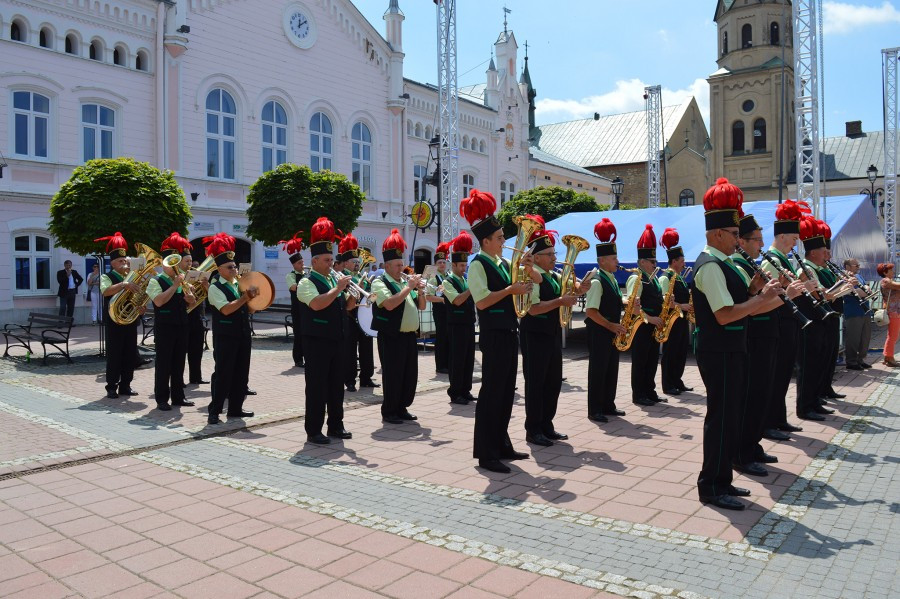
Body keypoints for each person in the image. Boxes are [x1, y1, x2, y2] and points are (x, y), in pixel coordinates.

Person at [692, 178, 783, 510]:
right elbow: (726, 315)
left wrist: (755, 291)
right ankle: (711, 486)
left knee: (730, 418)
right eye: (734, 234)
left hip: (732, 350)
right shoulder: (711, 265)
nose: (738, 240)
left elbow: (736, 303)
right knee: (721, 419)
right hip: (720, 351)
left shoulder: (725, 262)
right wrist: (763, 298)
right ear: (718, 234)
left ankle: (723, 480)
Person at [461, 190, 534, 474]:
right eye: (501, 238)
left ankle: (502, 443)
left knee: (505, 392)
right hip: (492, 334)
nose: (505, 242)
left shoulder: (503, 263)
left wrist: (525, 274)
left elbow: (515, 295)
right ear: (487, 241)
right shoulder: (477, 264)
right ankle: (486, 453)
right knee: (492, 393)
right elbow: (481, 300)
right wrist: (511, 289)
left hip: (507, 331)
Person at [731, 215, 802, 477]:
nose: (761, 245)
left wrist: (783, 294)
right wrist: (785, 296)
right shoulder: (739, 264)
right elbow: (754, 308)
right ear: (742, 241)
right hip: (756, 335)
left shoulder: (750, 263)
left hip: (766, 332)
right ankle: (743, 452)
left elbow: (761, 302)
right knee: (754, 394)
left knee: (761, 392)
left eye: (761, 239)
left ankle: (753, 445)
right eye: (757, 240)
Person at [519, 220, 581, 446]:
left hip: (551, 333)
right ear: (535, 257)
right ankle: (533, 429)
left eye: (554, 253)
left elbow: (563, 297)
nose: (555, 257)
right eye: (549, 254)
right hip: (535, 334)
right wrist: (561, 301)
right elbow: (533, 309)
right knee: (536, 383)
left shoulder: (553, 276)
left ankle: (547, 424)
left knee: (553, 381)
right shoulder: (531, 275)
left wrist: (580, 290)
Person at [296, 217, 353, 443]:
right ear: (316, 261)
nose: (332, 264)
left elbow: (345, 307)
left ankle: (335, 426)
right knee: (317, 387)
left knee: (336, 386)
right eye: (328, 260)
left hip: (337, 338)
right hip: (317, 340)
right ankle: (313, 430)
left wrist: (353, 298)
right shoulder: (306, 282)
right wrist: (338, 289)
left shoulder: (332, 281)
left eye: (332, 259)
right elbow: (317, 304)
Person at [759, 199, 807, 440]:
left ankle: (779, 418)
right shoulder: (772, 259)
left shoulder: (783, 259)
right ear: (783, 236)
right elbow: (770, 294)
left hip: (787, 321)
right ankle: (768, 422)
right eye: (794, 236)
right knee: (774, 375)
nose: (797, 241)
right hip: (776, 320)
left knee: (783, 374)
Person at [371, 229, 426, 424]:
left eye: (402, 264)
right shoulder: (379, 282)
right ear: (386, 265)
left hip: (409, 335)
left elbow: (422, 306)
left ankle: (402, 407)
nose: (401, 268)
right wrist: (409, 287)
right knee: (393, 374)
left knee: (409, 375)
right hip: (392, 335)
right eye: (397, 265)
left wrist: (420, 291)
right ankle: (390, 411)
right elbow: (390, 304)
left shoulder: (404, 282)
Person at [205, 233, 256, 425]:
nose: (234, 269)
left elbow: (247, 308)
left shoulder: (238, 284)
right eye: (230, 267)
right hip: (225, 336)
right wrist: (244, 298)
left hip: (242, 333)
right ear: (219, 269)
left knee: (241, 373)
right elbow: (226, 309)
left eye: (235, 266)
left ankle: (235, 409)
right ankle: (214, 411)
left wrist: (254, 302)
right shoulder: (215, 287)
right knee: (223, 374)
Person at [147, 233, 196, 411]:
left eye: (176, 262)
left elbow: (192, 302)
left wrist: (189, 295)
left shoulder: (182, 280)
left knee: (179, 362)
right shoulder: (156, 281)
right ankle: (161, 399)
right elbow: (158, 301)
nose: (175, 266)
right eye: (171, 263)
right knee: (164, 363)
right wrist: (175, 286)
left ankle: (178, 397)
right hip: (165, 326)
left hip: (182, 324)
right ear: (163, 264)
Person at [795, 216, 838, 421]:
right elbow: (817, 293)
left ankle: (814, 401)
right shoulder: (805, 267)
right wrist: (838, 291)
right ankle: (805, 406)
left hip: (820, 322)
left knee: (818, 363)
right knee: (808, 366)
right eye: (823, 251)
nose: (827, 254)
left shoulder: (817, 268)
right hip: (809, 324)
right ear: (813, 252)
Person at [585, 218, 626, 423]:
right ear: (602, 261)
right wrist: (611, 325)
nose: (617, 262)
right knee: (599, 370)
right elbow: (591, 311)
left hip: (610, 330)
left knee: (611, 369)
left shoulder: (611, 278)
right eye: (613, 258)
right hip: (600, 330)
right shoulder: (596, 280)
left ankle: (608, 404)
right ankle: (595, 409)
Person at [96, 232, 141, 399]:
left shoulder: (130, 277)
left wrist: (140, 306)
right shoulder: (106, 276)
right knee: (115, 354)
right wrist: (124, 284)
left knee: (129, 353)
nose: (124, 264)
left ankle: (126, 385)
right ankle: (111, 386)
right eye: (121, 261)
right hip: (114, 321)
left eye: (125, 261)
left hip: (130, 319)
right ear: (113, 263)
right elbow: (105, 291)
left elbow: (136, 295)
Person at [627, 225, 665, 407]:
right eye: (652, 261)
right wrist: (650, 318)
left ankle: (650, 391)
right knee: (641, 361)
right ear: (642, 262)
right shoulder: (637, 278)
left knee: (651, 360)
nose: (655, 265)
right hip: (642, 326)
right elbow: (632, 306)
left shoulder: (654, 278)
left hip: (654, 325)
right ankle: (639, 394)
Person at [339, 233, 378, 391]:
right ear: (346, 263)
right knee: (349, 350)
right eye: (354, 262)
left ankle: (366, 377)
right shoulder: (342, 277)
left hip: (363, 315)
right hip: (350, 316)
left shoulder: (361, 276)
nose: (357, 264)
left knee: (366, 348)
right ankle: (349, 380)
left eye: (358, 261)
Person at [659, 228, 693, 396]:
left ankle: (677, 381)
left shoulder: (679, 277)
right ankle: (668, 384)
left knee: (680, 352)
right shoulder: (665, 277)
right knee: (670, 352)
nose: (684, 264)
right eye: (681, 261)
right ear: (673, 262)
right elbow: (666, 302)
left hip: (681, 320)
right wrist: (682, 306)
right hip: (672, 321)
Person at [443, 231, 477, 406]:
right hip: (456, 325)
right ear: (453, 265)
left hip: (468, 323)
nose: (464, 269)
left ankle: (466, 389)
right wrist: (471, 288)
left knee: (468, 358)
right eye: (461, 265)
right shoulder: (448, 282)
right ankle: (455, 392)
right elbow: (456, 300)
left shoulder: (464, 280)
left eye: (466, 265)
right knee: (457, 359)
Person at [815, 224, 846, 403]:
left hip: (833, 315)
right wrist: (841, 288)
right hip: (823, 317)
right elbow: (826, 295)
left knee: (831, 355)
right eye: (826, 252)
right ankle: (819, 391)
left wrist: (845, 285)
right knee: (822, 357)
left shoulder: (827, 269)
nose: (829, 256)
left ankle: (827, 387)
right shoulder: (814, 270)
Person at [282, 232, 307, 369]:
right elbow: (293, 287)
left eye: (302, 262)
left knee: (307, 333)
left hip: (307, 307)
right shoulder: (290, 276)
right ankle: (298, 358)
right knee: (298, 333)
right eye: (299, 263)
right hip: (297, 308)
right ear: (294, 265)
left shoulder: (307, 274)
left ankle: (307, 355)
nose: (302, 264)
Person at [842, 258, 872, 370]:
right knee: (853, 338)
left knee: (865, 337)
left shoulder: (858, 276)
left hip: (865, 310)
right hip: (853, 311)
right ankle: (851, 361)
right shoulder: (844, 277)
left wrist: (866, 289)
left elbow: (865, 289)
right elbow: (854, 292)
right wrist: (865, 291)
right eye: (856, 265)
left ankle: (861, 359)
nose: (859, 267)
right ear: (847, 266)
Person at [426, 243, 451, 374]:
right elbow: (429, 297)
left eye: (444, 262)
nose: (442, 264)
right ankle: (440, 365)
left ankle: (447, 363)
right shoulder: (433, 278)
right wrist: (442, 300)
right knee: (441, 337)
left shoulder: (447, 276)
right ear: (435, 265)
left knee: (448, 337)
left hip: (448, 310)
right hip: (439, 310)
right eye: (439, 262)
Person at [186, 259, 209, 385]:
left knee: (197, 350)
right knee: (180, 352)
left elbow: (205, 297)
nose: (189, 264)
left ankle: (196, 377)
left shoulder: (196, 276)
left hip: (196, 317)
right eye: (187, 261)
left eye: (190, 261)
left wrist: (205, 286)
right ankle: (178, 381)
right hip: (184, 318)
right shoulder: (180, 278)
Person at [878, 263, 900, 366]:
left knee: (892, 335)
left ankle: (887, 356)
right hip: (893, 312)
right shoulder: (885, 281)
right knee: (893, 335)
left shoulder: (888, 281)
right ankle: (889, 357)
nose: (893, 271)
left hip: (895, 311)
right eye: (891, 270)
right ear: (885, 272)